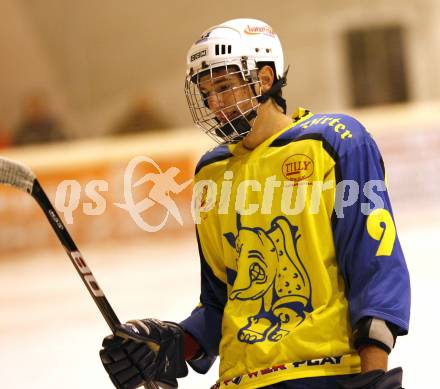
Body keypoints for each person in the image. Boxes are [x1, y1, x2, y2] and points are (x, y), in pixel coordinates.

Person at [99, 18, 410, 389]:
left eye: (224, 87)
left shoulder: (334, 142)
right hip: (239, 381)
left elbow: (374, 265)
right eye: (206, 92)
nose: (214, 103)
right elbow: (222, 300)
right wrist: (173, 344)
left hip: (323, 374)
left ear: (263, 79)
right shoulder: (212, 173)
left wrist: (374, 373)